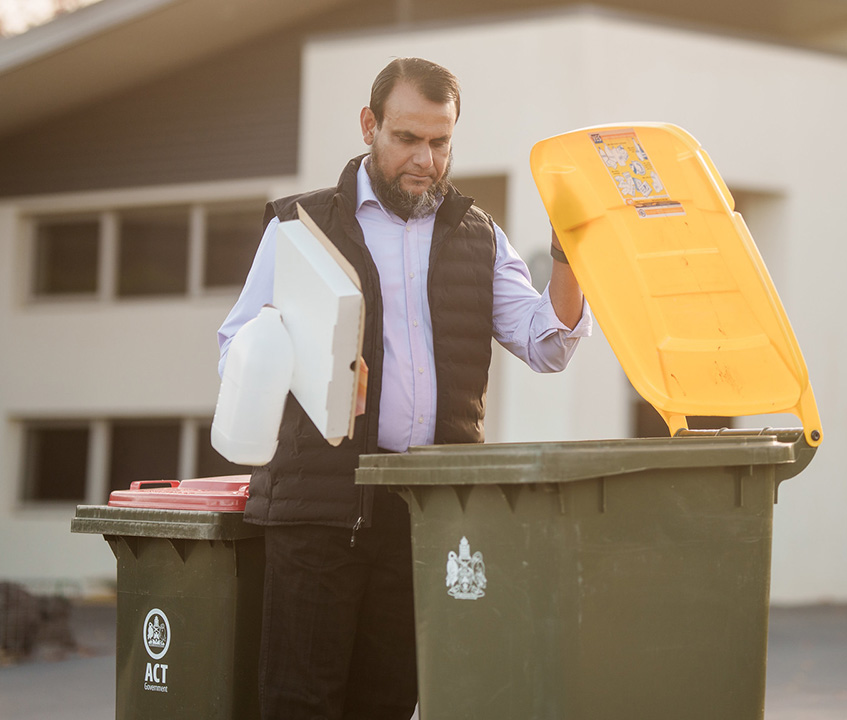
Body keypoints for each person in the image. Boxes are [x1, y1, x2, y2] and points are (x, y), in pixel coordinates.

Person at [216, 57, 591, 720]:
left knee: (388, 705)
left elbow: (548, 344)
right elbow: (237, 347)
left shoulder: (478, 237)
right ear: (370, 126)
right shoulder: (299, 226)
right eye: (407, 139)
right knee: (299, 705)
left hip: (423, 516)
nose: (425, 159)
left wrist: (571, 252)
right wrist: (312, 370)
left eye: (440, 143)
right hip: (317, 512)